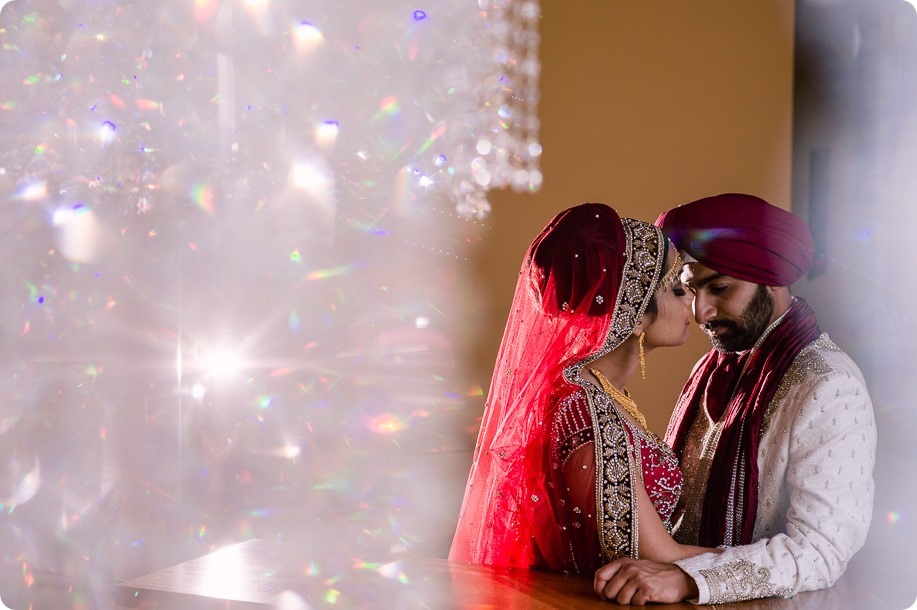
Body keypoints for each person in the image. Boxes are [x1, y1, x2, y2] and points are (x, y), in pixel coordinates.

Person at [594, 193, 877, 604]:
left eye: (720, 288)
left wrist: (687, 578)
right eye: (692, 291)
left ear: (773, 275)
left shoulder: (829, 385)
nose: (702, 312)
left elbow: (820, 553)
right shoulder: (713, 366)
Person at [449, 202, 717, 574]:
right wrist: (774, 562)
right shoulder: (586, 411)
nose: (691, 298)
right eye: (675, 289)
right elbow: (657, 558)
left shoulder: (597, 393)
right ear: (637, 315)